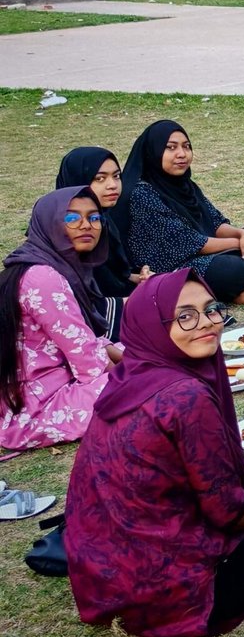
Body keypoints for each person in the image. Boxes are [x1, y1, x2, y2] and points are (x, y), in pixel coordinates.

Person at [66, 270, 244, 637]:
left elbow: (171, 485)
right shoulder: (185, 396)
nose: (206, 323)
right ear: (150, 324)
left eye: (211, 309)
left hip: (108, 581)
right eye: (184, 316)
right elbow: (229, 515)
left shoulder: (129, 380)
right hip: (178, 591)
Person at [115, 121, 244, 309]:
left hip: (200, 256)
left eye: (186, 146)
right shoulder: (141, 193)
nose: (181, 154)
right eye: (171, 148)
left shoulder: (185, 185)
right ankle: (238, 289)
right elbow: (189, 242)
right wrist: (239, 243)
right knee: (234, 270)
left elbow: (216, 223)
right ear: (152, 151)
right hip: (169, 268)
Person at [0, 187, 117, 450]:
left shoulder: (35, 267)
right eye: (71, 218)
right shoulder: (43, 277)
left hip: (35, 395)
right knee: (149, 381)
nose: (86, 225)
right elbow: (89, 363)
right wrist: (136, 369)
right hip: (34, 411)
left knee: (140, 356)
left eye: (94, 217)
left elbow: (86, 343)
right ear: (48, 223)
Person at [55, 146, 153, 316]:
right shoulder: (66, 232)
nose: (112, 185)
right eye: (100, 179)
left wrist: (138, 278)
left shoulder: (104, 220)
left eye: (116, 176)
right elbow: (86, 302)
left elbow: (110, 277)